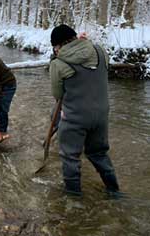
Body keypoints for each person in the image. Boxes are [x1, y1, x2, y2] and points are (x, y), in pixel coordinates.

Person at [49, 24, 120, 196]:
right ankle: (114, 191)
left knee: (70, 157)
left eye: (55, 47)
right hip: (101, 115)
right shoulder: (100, 51)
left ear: (58, 46)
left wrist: (55, 61)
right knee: (98, 153)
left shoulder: (58, 64)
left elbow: (58, 94)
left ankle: (74, 198)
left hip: (75, 117)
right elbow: (100, 67)